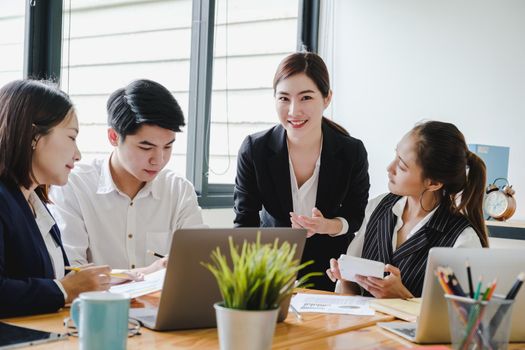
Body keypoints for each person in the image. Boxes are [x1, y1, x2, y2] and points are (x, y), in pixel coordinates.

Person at [233, 52, 370, 291]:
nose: (293, 111)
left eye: (306, 97)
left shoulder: (351, 152)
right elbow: (245, 222)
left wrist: (328, 225)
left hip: (330, 272)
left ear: (327, 98)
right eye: (284, 98)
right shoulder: (255, 149)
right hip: (269, 269)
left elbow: (355, 214)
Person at [49, 79, 204, 272]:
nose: (159, 159)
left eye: (168, 146)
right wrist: (148, 272)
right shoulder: (74, 186)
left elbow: (197, 262)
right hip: (97, 303)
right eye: (146, 147)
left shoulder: (178, 190)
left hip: (162, 302)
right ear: (114, 137)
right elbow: (72, 272)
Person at [327, 121, 489, 298]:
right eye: (395, 155)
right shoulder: (377, 207)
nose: (389, 168)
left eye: (402, 166)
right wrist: (345, 280)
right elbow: (350, 297)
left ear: (433, 183)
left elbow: (461, 320)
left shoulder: (462, 241)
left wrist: (403, 297)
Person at [0, 80, 110, 318]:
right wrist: (65, 289)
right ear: (33, 135)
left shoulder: (36, 205)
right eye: (71, 138)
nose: (78, 155)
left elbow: (52, 280)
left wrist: (92, 283)